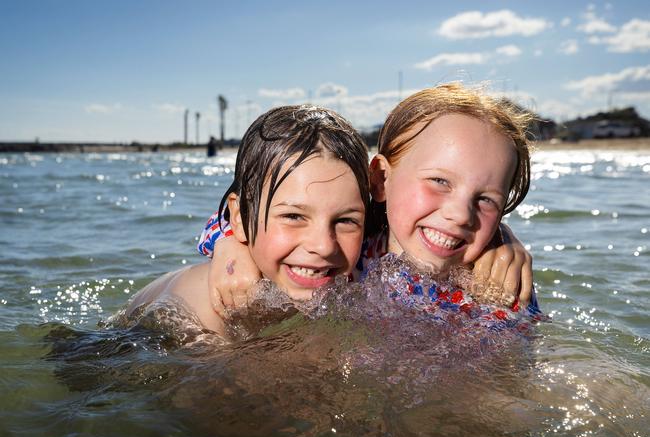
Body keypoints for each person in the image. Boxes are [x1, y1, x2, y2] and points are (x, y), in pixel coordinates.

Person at [200, 82, 538, 316]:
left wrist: (502, 238)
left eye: (486, 200)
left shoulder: (496, 282)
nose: (461, 214)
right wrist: (232, 246)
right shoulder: (358, 241)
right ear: (381, 179)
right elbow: (234, 220)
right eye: (438, 181)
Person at [126, 105, 371, 338]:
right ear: (239, 218)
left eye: (346, 221)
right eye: (293, 216)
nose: (324, 245)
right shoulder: (205, 306)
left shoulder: (362, 272)